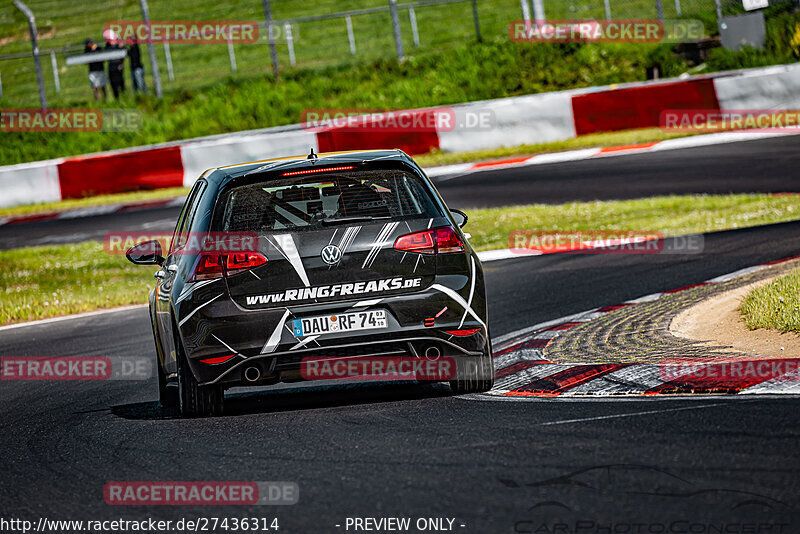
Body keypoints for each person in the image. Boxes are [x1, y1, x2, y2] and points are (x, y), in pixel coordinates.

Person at [103, 29, 126, 99]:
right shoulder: (107, 46)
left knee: (121, 83)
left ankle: (124, 97)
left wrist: (121, 64)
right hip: (111, 68)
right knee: (113, 85)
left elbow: (123, 55)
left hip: (118, 67)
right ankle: (117, 99)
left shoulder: (118, 45)